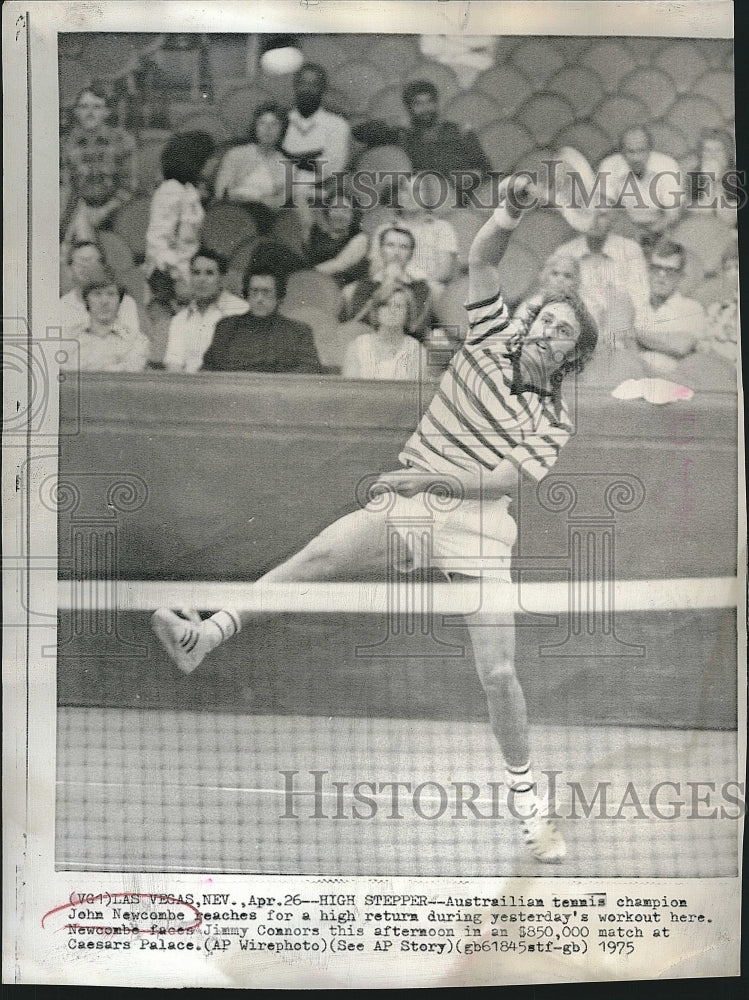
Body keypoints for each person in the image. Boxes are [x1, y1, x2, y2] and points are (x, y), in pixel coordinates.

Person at [152, 174, 599, 863]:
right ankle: (205, 637)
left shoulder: (556, 416)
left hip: (477, 524)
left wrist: (426, 473)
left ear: (572, 352)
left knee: (498, 672)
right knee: (318, 559)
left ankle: (528, 806)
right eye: (542, 318)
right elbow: (481, 258)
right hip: (415, 506)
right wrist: (508, 208)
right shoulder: (489, 334)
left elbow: (500, 480)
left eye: (560, 330)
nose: (544, 330)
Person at [352, 79, 491, 202]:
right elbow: (359, 133)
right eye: (418, 104)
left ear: (436, 104)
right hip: (415, 202)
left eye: (429, 102)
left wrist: (472, 175)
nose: (425, 108)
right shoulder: (402, 133)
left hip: (455, 202)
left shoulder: (459, 132)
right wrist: (392, 123)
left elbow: (486, 169)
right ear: (409, 108)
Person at [555, 197, 650, 346]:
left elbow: (639, 300)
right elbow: (555, 300)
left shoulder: (630, 250)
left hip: (619, 333)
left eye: (602, 215)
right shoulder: (565, 252)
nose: (594, 220)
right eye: (588, 214)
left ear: (613, 218)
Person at [200, 259, 322, 374]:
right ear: (246, 295)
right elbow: (208, 371)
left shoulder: (298, 332)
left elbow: (310, 370)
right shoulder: (226, 327)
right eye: (254, 291)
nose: (259, 299)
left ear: (279, 297)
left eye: (266, 292)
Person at [145, 131, 216, 307]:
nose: (214, 163)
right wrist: (178, 275)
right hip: (168, 276)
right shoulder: (171, 190)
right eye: (209, 158)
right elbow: (157, 242)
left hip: (188, 268)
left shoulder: (189, 189)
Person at [60, 85, 137, 245]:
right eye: (84, 107)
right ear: (75, 111)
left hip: (117, 210)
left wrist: (104, 211)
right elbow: (66, 187)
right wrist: (83, 213)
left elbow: (129, 186)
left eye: (97, 107)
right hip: (79, 211)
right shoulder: (65, 144)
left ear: (106, 112)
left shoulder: (123, 141)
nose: (90, 112)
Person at [369, 175, 459, 299]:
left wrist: (414, 285)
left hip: (426, 290)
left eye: (417, 190)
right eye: (405, 190)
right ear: (398, 196)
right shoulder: (384, 230)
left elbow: (444, 271)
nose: (411, 196)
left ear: (427, 197)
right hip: (390, 290)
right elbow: (375, 269)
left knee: (437, 290)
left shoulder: (442, 228)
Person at [162, 248, 249, 373]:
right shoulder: (180, 319)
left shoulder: (241, 311)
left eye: (209, 273)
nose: (201, 279)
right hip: (188, 387)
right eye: (196, 273)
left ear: (222, 279)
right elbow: (173, 364)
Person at [339, 226, 433, 339]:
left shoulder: (420, 287)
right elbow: (358, 323)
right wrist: (387, 283)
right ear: (381, 250)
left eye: (403, 247)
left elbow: (414, 326)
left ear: (411, 254)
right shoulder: (365, 285)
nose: (396, 252)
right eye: (390, 245)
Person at [213, 102, 293, 234]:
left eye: (274, 124)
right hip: (230, 217)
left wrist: (249, 198)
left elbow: (283, 203)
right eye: (262, 123)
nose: (268, 128)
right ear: (255, 127)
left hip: (265, 223)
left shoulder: (287, 166)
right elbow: (222, 192)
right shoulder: (236, 154)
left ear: (282, 129)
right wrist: (261, 200)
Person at [598, 126, 684, 248]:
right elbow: (605, 209)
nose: (636, 158)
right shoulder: (609, 165)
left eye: (641, 151)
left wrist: (647, 234)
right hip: (623, 227)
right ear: (622, 152)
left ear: (650, 150)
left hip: (660, 228)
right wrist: (631, 233)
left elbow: (672, 215)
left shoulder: (668, 165)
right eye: (630, 152)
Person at [635, 239, 706, 374]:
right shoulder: (635, 305)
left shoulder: (692, 309)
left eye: (670, 271)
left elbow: (681, 346)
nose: (662, 276)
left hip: (672, 384)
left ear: (681, 276)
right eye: (656, 268)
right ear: (648, 270)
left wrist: (633, 332)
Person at [65, 267, 150, 372]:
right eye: (97, 294)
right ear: (86, 299)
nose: (104, 301)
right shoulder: (69, 338)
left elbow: (131, 374)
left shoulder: (137, 341)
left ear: (120, 300)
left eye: (111, 294)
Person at [282, 63, 351, 189]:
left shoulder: (337, 124)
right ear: (295, 86)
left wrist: (289, 158)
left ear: (323, 89)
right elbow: (270, 163)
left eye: (314, 85)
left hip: (320, 191)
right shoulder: (281, 120)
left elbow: (333, 167)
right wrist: (314, 157)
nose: (307, 89)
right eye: (303, 83)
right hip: (280, 188)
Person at [342, 285, 430, 381]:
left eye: (398, 306)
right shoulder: (358, 346)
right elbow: (350, 390)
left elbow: (416, 393)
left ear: (408, 313)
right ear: (376, 311)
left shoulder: (416, 351)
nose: (392, 311)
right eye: (385, 305)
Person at [60, 240, 140, 336]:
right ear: (69, 270)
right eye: (80, 263)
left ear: (103, 265)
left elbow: (132, 341)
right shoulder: (62, 306)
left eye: (91, 261)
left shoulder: (125, 302)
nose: (87, 267)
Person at [304, 192, 369, 286]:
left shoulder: (360, 238)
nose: (339, 215)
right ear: (328, 211)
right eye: (335, 209)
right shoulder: (317, 232)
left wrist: (303, 275)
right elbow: (301, 195)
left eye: (345, 211)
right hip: (312, 283)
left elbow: (338, 265)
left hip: (338, 289)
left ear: (354, 215)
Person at [695, 245, 739, 364]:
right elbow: (700, 341)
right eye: (728, 268)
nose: (734, 274)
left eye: (737, 267)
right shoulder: (716, 309)